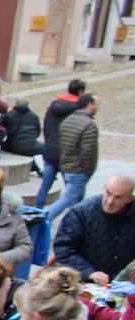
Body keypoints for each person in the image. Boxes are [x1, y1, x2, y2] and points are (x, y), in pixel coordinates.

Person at [52, 173, 135, 286]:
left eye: (118, 197)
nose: (110, 201)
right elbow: (63, 249)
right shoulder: (82, 212)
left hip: (122, 284)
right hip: (84, 283)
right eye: (108, 193)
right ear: (104, 188)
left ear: (130, 199)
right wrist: (89, 272)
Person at [46, 93, 100, 223]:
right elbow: (88, 152)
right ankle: (45, 218)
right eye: (97, 104)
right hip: (79, 169)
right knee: (69, 198)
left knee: (77, 204)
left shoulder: (68, 120)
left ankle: (74, 226)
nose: (98, 107)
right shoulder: (89, 125)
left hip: (67, 166)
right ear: (90, 105)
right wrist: (89, 170)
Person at [37, 80, 85, 207]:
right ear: (81, 91)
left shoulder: (54, 105)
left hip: (50, 150)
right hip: (66, 155)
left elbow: (46, 127)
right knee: (73, 191)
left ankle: (37, 211)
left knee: (45, 186)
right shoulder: (78, 110)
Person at [2, 98, 42, 163]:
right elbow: (38, 132)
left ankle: (36, 169)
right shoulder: (34, 116)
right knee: (47, 149)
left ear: (16, 104)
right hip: (32, 145)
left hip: (14, 145)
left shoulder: (9, 115)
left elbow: (2, 129)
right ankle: (40, 170)